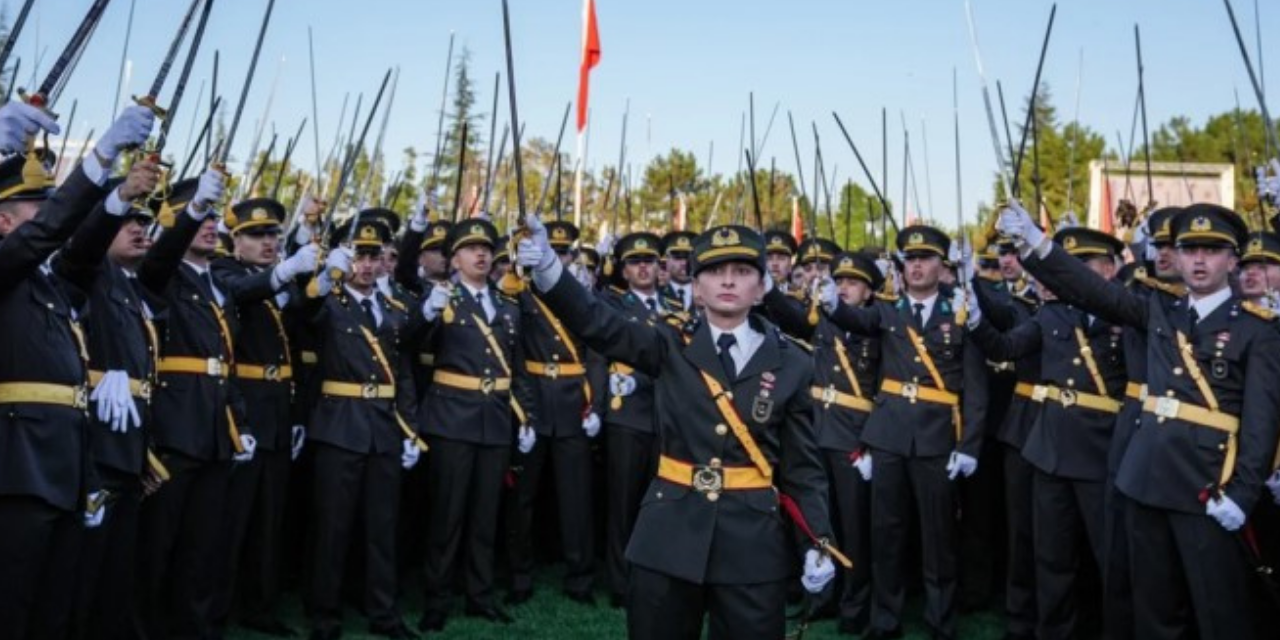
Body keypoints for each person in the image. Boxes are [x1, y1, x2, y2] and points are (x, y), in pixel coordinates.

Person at [518, 218, 839, 639]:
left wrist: (820, 540)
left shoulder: (793, 363)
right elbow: (598, 322)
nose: (727, 281)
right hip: (668, 533)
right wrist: (548, 270)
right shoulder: (668, 343)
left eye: (742, 271)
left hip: (751, 541)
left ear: (761, 288)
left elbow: (803, 468)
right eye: (714, 271)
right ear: (696, 286)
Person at [999, 201, 1280, 640]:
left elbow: (1262, 423)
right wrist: (1036, 242)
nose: (1198, 260)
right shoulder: (1159, 310)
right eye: (1189, 250)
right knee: (1153, 609)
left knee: (1218, 609)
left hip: (1207, 484)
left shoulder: (1257, 328)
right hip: (1144, 480)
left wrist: (1242, 494)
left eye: (1211, 250)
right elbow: (1092, 290)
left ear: (1233, 259)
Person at [0, 101, 154, 639]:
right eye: (37, 209)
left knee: (53, 610)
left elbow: (82, 251)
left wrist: (116, 197)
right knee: (12, 608)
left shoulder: (46, 283)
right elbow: (44, 236)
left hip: (64, 469)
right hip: (16, 470)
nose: (49, 219)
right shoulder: (7, 266)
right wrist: (100, 157)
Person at [821, 224, 988, 640]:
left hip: (937, 439)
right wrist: (830, 305)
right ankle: (885, 618)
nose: (916, 266)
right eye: (909, 259)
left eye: (925, 258)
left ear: (940, 264)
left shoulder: (962, 311)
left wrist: (969, 446)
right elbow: (854, 318)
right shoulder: (887, 310)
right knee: (886, 534)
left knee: (938, 538)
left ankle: (940, 620)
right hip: (889, 436)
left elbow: (976, 390)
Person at [968, 227, 1128, 640]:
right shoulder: (1052, 314)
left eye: (1081, 267)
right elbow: (1005, 348)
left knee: (1110, 557)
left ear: (1108, 270)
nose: (1066, 276)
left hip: (1102, 450)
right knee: (1050, 555)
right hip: (1050, 449)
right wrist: (974, 322)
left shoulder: (1127, 314)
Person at [302, 213, 423, 639]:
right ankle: (325, 615)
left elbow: (402, 372)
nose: (367, 265)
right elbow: (306, 310)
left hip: (383, 429)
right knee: (333, 528)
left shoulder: (392, 310)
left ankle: (384, 614)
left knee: (381, 528)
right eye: (359, 256)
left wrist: (410, 429)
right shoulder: (328, 301)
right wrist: (323, 271)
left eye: (374, 257)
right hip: (339, 426)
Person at [416, 218, 538, 632]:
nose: (482, 255)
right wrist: (427, 313)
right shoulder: (442, 299)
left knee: (486, 516)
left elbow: (517, 367)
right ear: (454, 259)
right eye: (471, 249)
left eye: (486, 248)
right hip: (451, 418)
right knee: (447, 517)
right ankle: (438, 599)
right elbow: (411, 347)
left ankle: (479, 595)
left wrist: (526, 416)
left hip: (494, 421)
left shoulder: (506, 305)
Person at [211, 197, 318, 635]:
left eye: (273, 234)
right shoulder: (225, 272)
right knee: (232, 520)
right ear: (235, 241)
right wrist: (286, 271)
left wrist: (318, 279)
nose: (268, 242)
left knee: (269, 519)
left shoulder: (279, 281)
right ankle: (217, 608)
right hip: (244, 407)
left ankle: (260, 604)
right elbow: (243, 293)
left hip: (277, 406)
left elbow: (304, 324)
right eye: (257, 235)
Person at [763, 250, 884, 635]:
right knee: (818, 524)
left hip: (853, 436)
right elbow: (792, 320)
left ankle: (855, 605)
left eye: (853, 282)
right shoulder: (823, 319)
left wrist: (871, 443)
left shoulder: (880, 326)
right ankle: (821, 597)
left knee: (854, 528)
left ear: (869, 292)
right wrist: (767, 287)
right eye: (840, 281)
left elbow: (887, 388)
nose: (844, 287)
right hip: (817, 430)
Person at [506, 220, 602, 605]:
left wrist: (594, 404)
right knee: (522, 498)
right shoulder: (520, 293)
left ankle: (580, 578)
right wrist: (522, 408)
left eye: (564, 253)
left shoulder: (576, 294)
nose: (558, 258)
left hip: (572, 402)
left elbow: (596, 351)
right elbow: (509, 351)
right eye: (553, 252)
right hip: (532, 399)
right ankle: (519, 576)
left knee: (576, 498)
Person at [593, 231, 676, 607]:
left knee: (661, 505)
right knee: (623, 504)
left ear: (661, 268)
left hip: (667, 415)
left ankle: (655, 576)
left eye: (650, 261)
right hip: (628, 414)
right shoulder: (612, 304)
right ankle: (620, 582)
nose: (643, 268)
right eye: (635, 262)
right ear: (623, 270)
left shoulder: (675, 304)